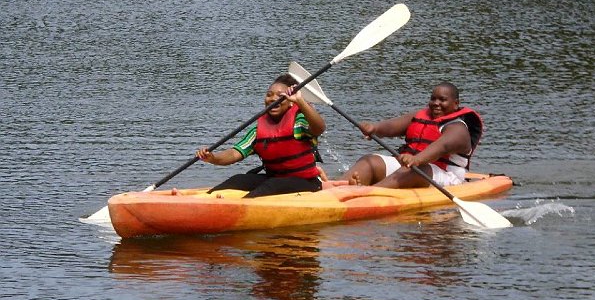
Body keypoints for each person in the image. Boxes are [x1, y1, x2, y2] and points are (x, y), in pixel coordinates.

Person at [196, 74, 327, 198]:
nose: (273, 99)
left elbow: (319, 128)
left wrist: (301, 102)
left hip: (307, 183)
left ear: (291, 102)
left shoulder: (299, 123)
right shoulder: (257, 131)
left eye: (280, 95)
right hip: (275, 180)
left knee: (273, 185)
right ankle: (204, 201)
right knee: (238, 179)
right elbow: (234, 153)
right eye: (269, 95)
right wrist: (213, 158)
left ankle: (242, 207)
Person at [342, 82, 483, 189]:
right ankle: (335, 188)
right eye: (433, 99)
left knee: (416, 170)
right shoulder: (422, 115)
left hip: (448, 178)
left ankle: (366, 194)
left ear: (455, 104)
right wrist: (374, 128)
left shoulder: (458, 129)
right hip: (411, 168)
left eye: (442, 100)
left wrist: (416, 159)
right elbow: (392, 126)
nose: (436, 104)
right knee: (370, 161)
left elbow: (442, 146)